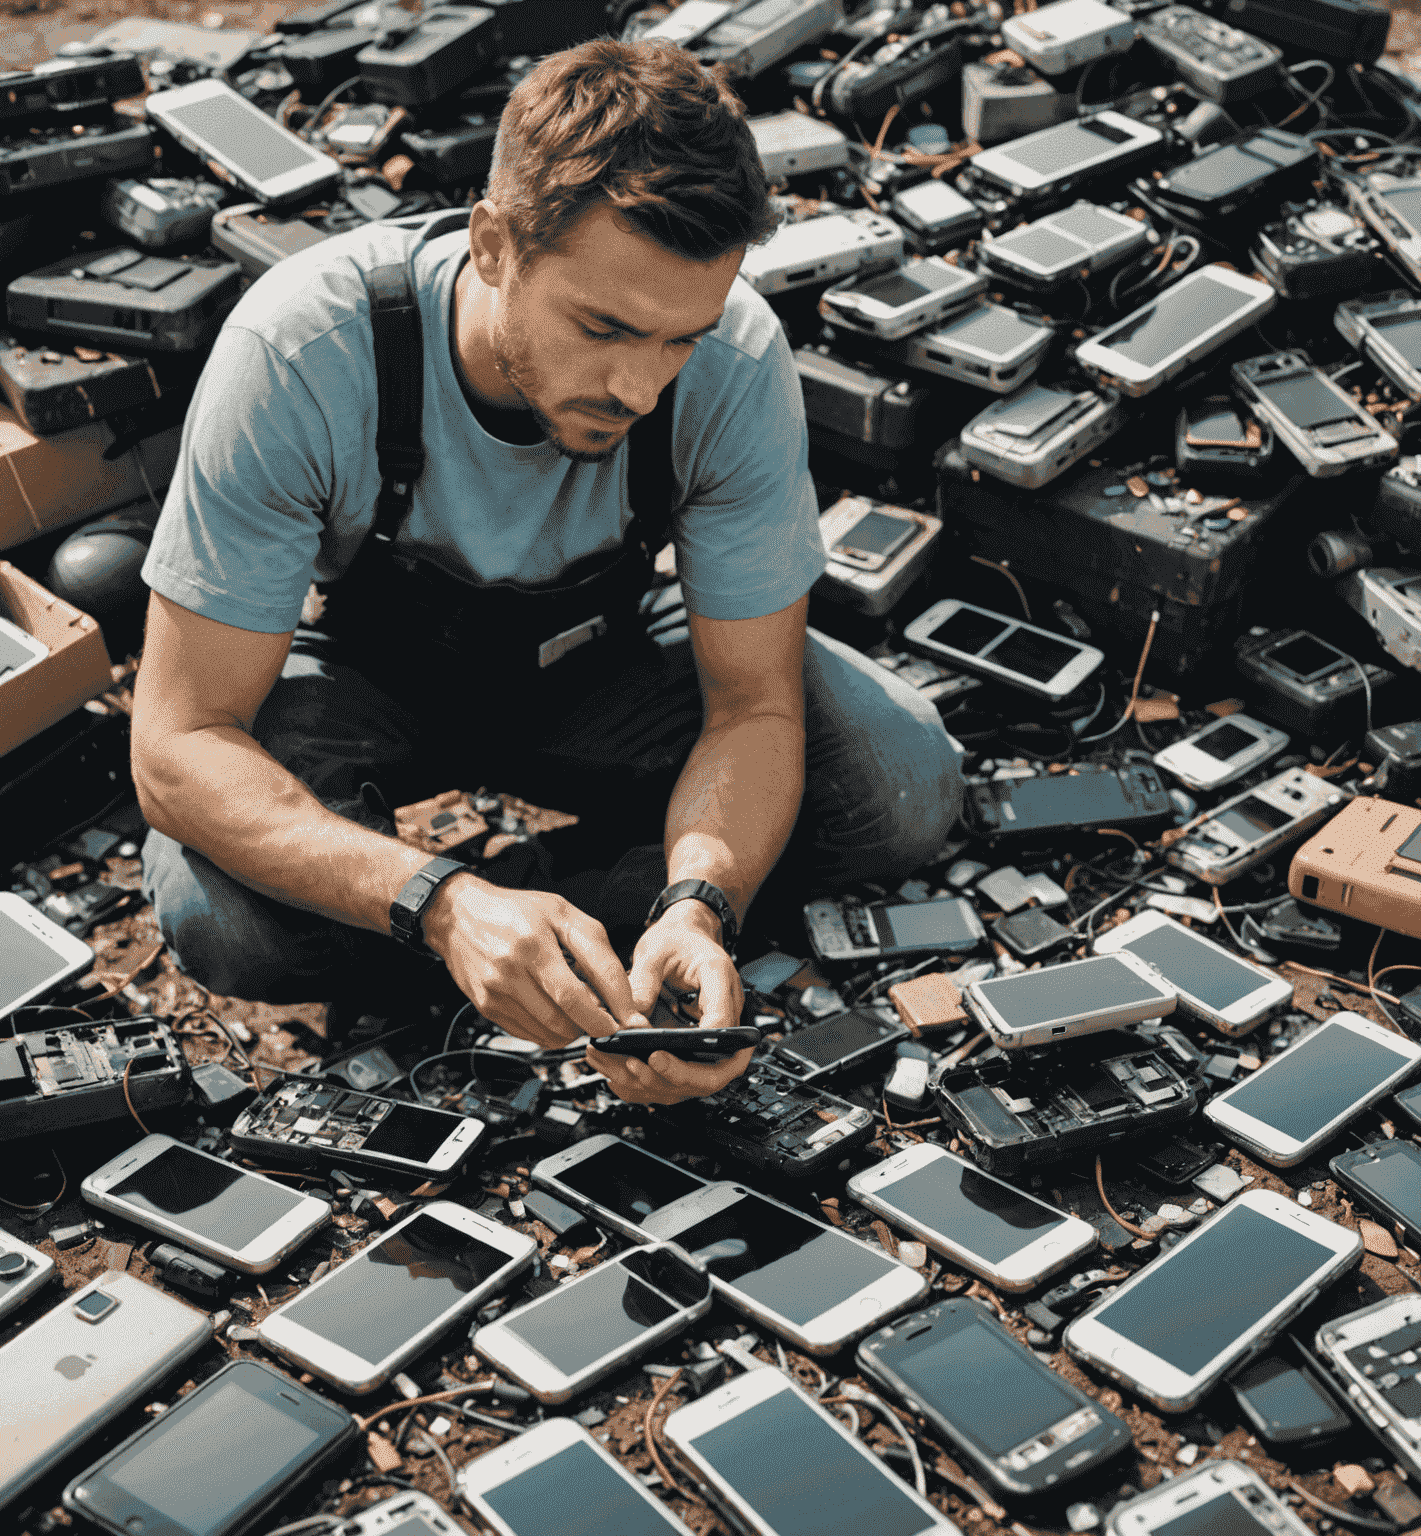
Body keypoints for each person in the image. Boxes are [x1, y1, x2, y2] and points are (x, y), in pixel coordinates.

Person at [131, 38, 963, 1108]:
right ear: (492, 245)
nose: (641, 387)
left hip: (601, 672)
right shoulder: (308, 347)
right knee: (218, 916)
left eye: (679, 340)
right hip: (377, 684)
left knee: (902, 786)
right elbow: (174, 744)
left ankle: (575, 946)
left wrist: (699, 902)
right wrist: (440, 901)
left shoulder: (736, 363)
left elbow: (753, 704)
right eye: (604, 327)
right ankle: (503, 937)